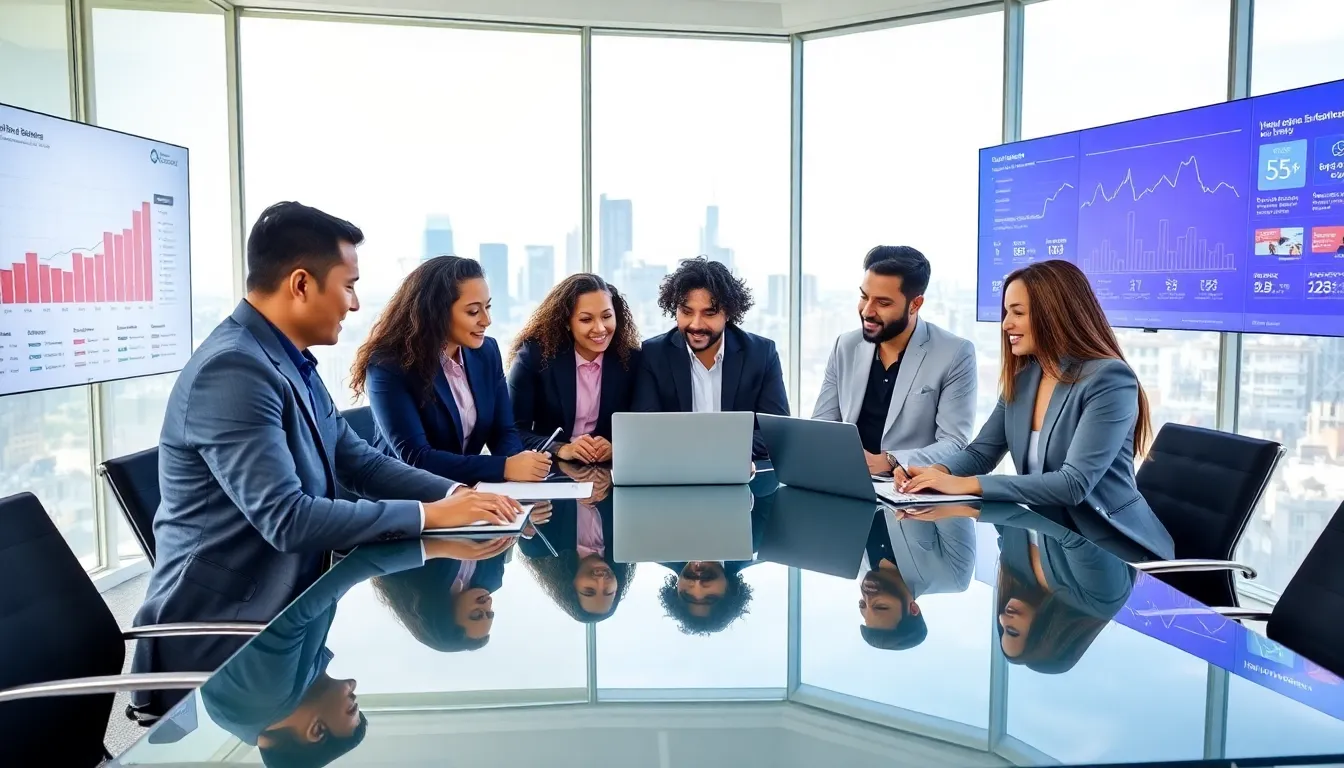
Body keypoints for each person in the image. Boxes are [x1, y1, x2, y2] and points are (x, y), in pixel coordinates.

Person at [131, 202, 521, 696]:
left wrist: (456, 497)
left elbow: (358, 461)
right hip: (226, 636)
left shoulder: (287, 361)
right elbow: (288, 519)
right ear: (301, 284)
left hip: (293, 611)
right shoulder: (233, 371)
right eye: (349, 285)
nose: (354, 304)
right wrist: (431, 516)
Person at [899, 259, 1175, 560]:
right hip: (1049, 539)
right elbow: (981, 453)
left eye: (1018, 312)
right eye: (1006, 313)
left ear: (1054, 314)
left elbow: (1072, 484)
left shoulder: (1109, 379)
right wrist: (933, 475)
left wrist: (961, 484)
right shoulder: (1024, 379)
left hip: (1112, 549)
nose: (1006, 324)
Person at [351, 256, 551, 486]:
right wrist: (504, 467)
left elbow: (503, 431)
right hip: (409, 497)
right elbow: (416, 458)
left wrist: (518, 466)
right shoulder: (389, 365)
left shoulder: (487, 351)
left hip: (467, 491)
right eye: (473, 312)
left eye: (487, 307)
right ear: (436, 313)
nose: (487, 320)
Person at [812, 246, 977, 479]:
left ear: (915, 304)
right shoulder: (845, 345)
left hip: (910, 491)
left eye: (883, 303)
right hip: (844, 480)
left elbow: (955, 442)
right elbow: (821, 426)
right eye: (864, 296)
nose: (867, 311)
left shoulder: (955, 353)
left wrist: (891, 460)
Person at [631, 257, 789, 459]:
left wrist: (718, 452)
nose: (696, 324)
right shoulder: (654, 354)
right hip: (676, 473)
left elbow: (777, 435)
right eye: (686, 312)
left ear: (728, 313)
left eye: (709, 313)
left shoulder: (761, 354)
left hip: (739, 476)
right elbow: (645, 432)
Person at [507, 273, 642, 463]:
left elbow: (643, 428)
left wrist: (617, 447)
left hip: (610, 469)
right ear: (566, 322)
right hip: (549, 468)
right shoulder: (534, 356)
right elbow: (512, 432)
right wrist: (561, 448)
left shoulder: (631, 359)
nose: (600, 328)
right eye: (586, 320)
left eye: (607, 316)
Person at [519, 463, 636, 622]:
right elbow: (633, 485)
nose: (601, 581)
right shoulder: (628, 540)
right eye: (609, 591)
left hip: (552, 455)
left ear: (570, 586)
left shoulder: (539, 547)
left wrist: (525, 513)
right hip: (603, 450)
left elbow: (519, 486)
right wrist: (611, 476)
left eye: (589, 591)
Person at [859, 507, 975, 650]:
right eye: (880, 606)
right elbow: (954, 499)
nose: (867, 598)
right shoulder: (953, 575)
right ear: (913, 609)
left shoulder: (853, 564)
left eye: (862, 605)